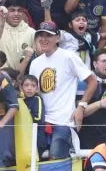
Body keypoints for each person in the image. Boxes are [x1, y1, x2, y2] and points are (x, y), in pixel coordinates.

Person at [29, 21, 97, 159]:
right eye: (40, 35)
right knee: (38, 160)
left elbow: (92, 81)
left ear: (58, 38)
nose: (43, 39)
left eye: (48, 35)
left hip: (63, 121)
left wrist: (81, 106)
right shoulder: (35, 63)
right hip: (41, 122)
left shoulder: (68, 56)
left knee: (56, 160)